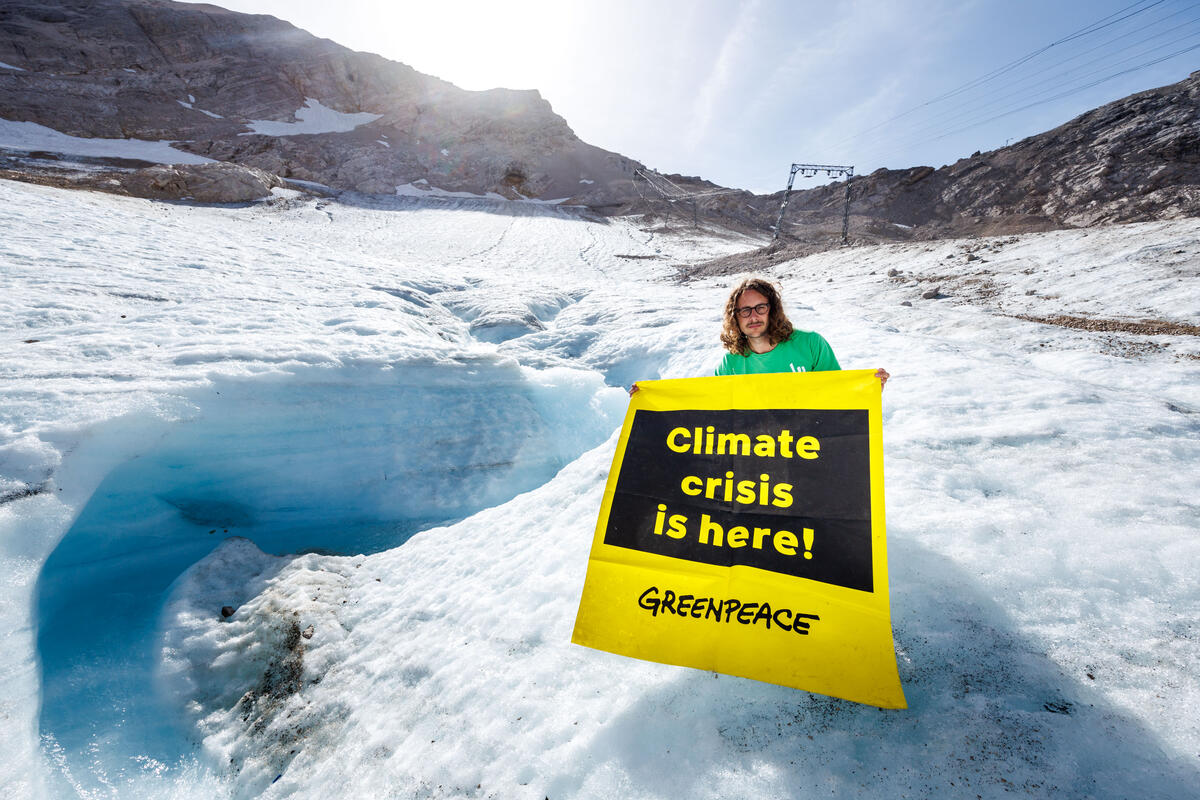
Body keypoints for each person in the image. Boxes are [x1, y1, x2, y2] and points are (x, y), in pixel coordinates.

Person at [629, 276, 888, 393]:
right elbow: (713, 407)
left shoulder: (810, 344)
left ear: (772, 310)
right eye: (744, 311)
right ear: (735, 317)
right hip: (758, 452)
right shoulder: (732, 362)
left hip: (808, 447)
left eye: (760, 307)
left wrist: (869, 388)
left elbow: (838, 394)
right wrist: (651, 402)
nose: (753, 316)